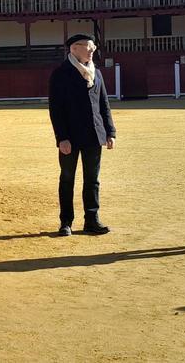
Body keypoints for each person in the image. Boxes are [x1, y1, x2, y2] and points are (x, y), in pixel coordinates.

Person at [48, 34, 117, 237]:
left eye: (92, 47)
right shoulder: (60, 74)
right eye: (88, 47)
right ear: (74, 49)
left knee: (92, 180)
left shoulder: (97, 73)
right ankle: (66, 221)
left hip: (94, 134)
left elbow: (104, 104)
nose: (91, 51)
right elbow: (56, 109)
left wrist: (110, 131)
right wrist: (61, 137)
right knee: (67, 178)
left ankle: (92, 220)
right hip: (70, 136)